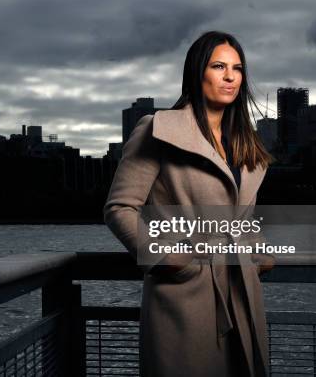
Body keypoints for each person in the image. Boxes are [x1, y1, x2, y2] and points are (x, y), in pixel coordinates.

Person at [104, 31, 275, 377]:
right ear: (198, 72)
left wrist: (258, 253)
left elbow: (242, 217)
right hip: (184, 296)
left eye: (237, 68)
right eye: (218, 66)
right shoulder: (158, 129)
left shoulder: (246, 144)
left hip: (242, 292)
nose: (230, 76)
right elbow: (120, 207)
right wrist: (166, 259)